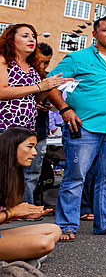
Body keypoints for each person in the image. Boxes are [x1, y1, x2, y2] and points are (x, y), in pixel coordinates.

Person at [47, 17, 106, 240]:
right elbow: (50, 83)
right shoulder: (78, 58)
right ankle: (67, 225)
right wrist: (64, 108)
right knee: (75, 177)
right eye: (105, 29)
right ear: (95, 34)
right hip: (84, 127)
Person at [0, 127, 60, 265]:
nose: (34, 153)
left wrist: (20, 215)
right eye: (30, 147)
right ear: (11, 147)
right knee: (44, 244)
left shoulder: (11, 175)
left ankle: (17, 255)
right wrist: (12, 212)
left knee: (53, 230)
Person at [0, 25, 70, 134]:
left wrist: (48, 87)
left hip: (27, 128)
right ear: (11, 40)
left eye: (33, 36)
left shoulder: (32, 66)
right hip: (5, 127)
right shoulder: (3, 61)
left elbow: (33, 99)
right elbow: (1, 92)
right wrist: (39, 87)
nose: (31, 39)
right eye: (25, 36)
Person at [25, 42, 53, 204]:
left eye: (46, 62)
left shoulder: (48, 77)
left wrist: (49, 106)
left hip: (39, 130)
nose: (42, 65)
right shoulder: (21, 73)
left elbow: (57, 105)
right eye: (39, 61)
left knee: (33, 171)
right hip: (19, 130)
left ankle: (28, 206)